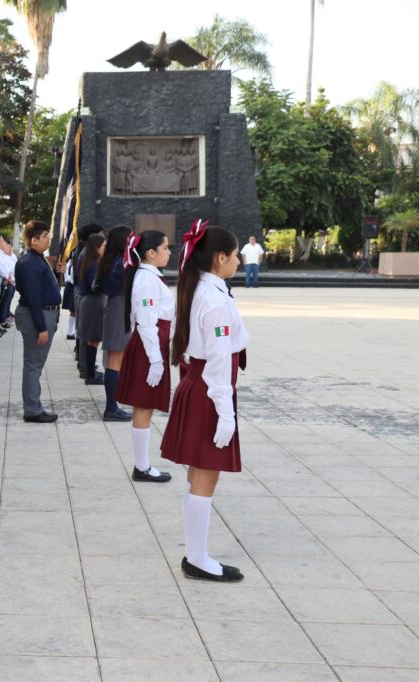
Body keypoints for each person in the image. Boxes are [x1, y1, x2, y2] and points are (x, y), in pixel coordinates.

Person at [161, 224, 247, 583]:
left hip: (199, 385)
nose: (239, 260)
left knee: (198, 473)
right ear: (221, 257)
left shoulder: (199, 289)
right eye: (236, 254)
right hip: (210, 390)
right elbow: (218, 360)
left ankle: (195, 554)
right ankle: (197, 558)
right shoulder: (213, 299)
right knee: (206, 475)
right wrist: (225, 413)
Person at [114, 231, 174, 483]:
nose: (169, 252)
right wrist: (156, 360)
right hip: (149, 346)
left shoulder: (149, 276)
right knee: (144, 405)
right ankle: (142, 466)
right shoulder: (147, 279)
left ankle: (143, 465)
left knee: (145, 405)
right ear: (150, 252)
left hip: (152, 344)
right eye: (165, 247)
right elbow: (147, 323)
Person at [13, 221, 61, 423]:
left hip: (44, 313)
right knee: (33, 363)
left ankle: (34, 406)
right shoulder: (30, 262)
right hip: (37, 315)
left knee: (35, 364)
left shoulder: (37, 259)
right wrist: (41, 327)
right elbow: (33, 297)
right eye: (45, 236)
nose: (48, 239)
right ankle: (32, 410)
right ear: (34, 240)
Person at [94, 226, 134, 422]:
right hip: (119, 309)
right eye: (130, 238)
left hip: (117, 308)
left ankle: (113, 405)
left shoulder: (113, 261)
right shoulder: (120, 263)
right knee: (115, 361)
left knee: (116, 360)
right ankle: (111, 407)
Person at [72, 223, 104, 376]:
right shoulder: (91, 260)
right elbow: (94, 285)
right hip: (89, 299)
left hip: (84, 297)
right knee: (88, 336)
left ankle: (86, 366)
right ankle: (86, 368)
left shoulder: (85, 253)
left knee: (85, 334)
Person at [77, 234, 107, 388]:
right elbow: (94, 285)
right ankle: (90, 375)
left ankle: (91, 373)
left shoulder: (90, 261)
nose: (106, 249)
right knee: (93, 340)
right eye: (104, 246)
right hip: (93, 302)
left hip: (90, 302)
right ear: (97, 247)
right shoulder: (94, 264)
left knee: (92, 340)